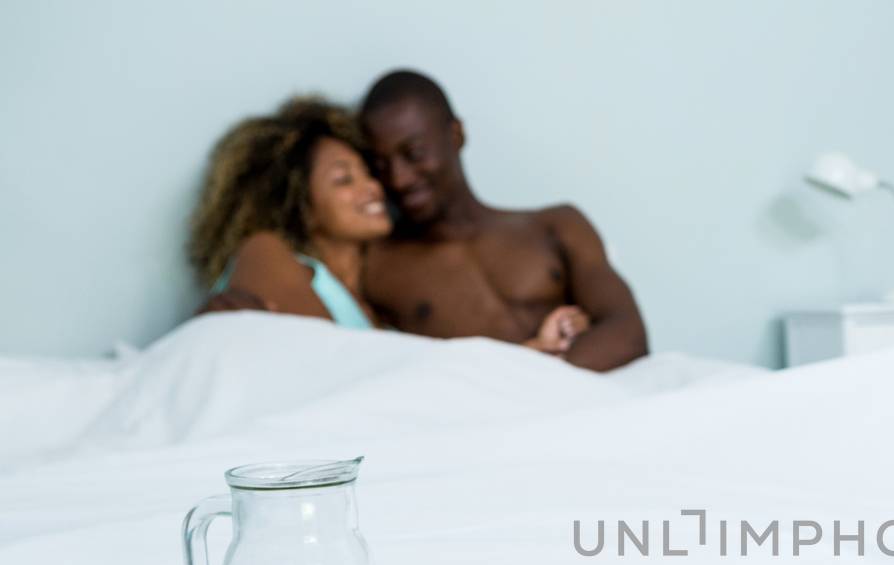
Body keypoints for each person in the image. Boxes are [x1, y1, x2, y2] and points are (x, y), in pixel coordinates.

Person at [358, 70, 649, 370]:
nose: (398, 179)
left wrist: (537, 384)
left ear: (456, 135)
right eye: (380, 165)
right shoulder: (380, 270)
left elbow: (627, 333)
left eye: (414, 153)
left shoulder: (557, 225)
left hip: (593, 405)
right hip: (493, 414)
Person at [189, 97, 391, 327]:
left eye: (368, 173)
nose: (373, 187)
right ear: (301, 206)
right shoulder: (264, 252)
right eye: (344, 179)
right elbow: (318, 356)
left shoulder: (380, 305)